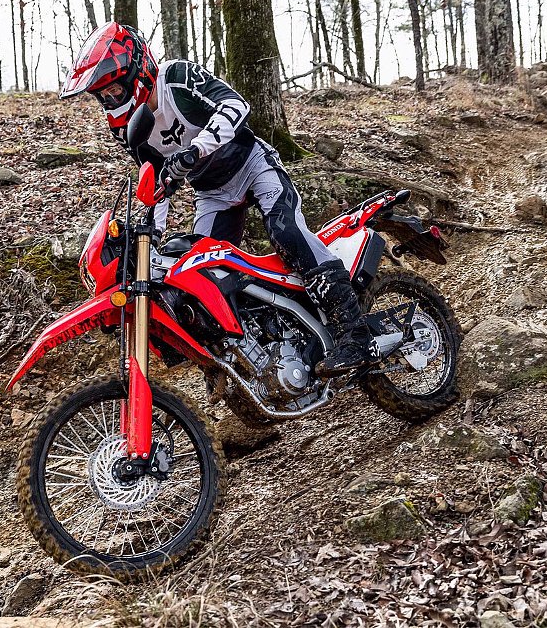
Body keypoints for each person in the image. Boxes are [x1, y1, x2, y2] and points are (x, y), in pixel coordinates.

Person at [59, 22, 371, 378]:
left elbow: (236, 106)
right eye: (103, 94)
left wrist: (196, 148)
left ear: (137, 67)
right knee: (203, 275)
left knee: (287, 233)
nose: (110, 99)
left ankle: (354, 330)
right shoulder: (127, 127)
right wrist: (151, 235)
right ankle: (245, 375)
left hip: (252, 164)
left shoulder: (176, 77)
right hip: (212, 193)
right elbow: (154, 182)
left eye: (113, 89)